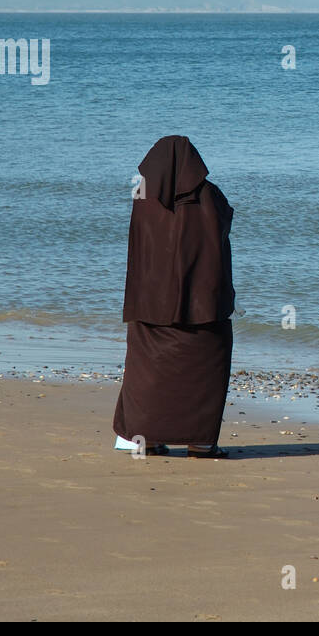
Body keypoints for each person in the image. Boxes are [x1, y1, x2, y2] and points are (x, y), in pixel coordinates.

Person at [112, 135, 235, 458]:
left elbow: (141, 248)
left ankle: (145, 439)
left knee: (147, 370)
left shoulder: (144, 197)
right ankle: (201, 443)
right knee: (205, 368)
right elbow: (220, 236)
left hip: (150, 302)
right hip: (203, 306)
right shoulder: (210, 196)